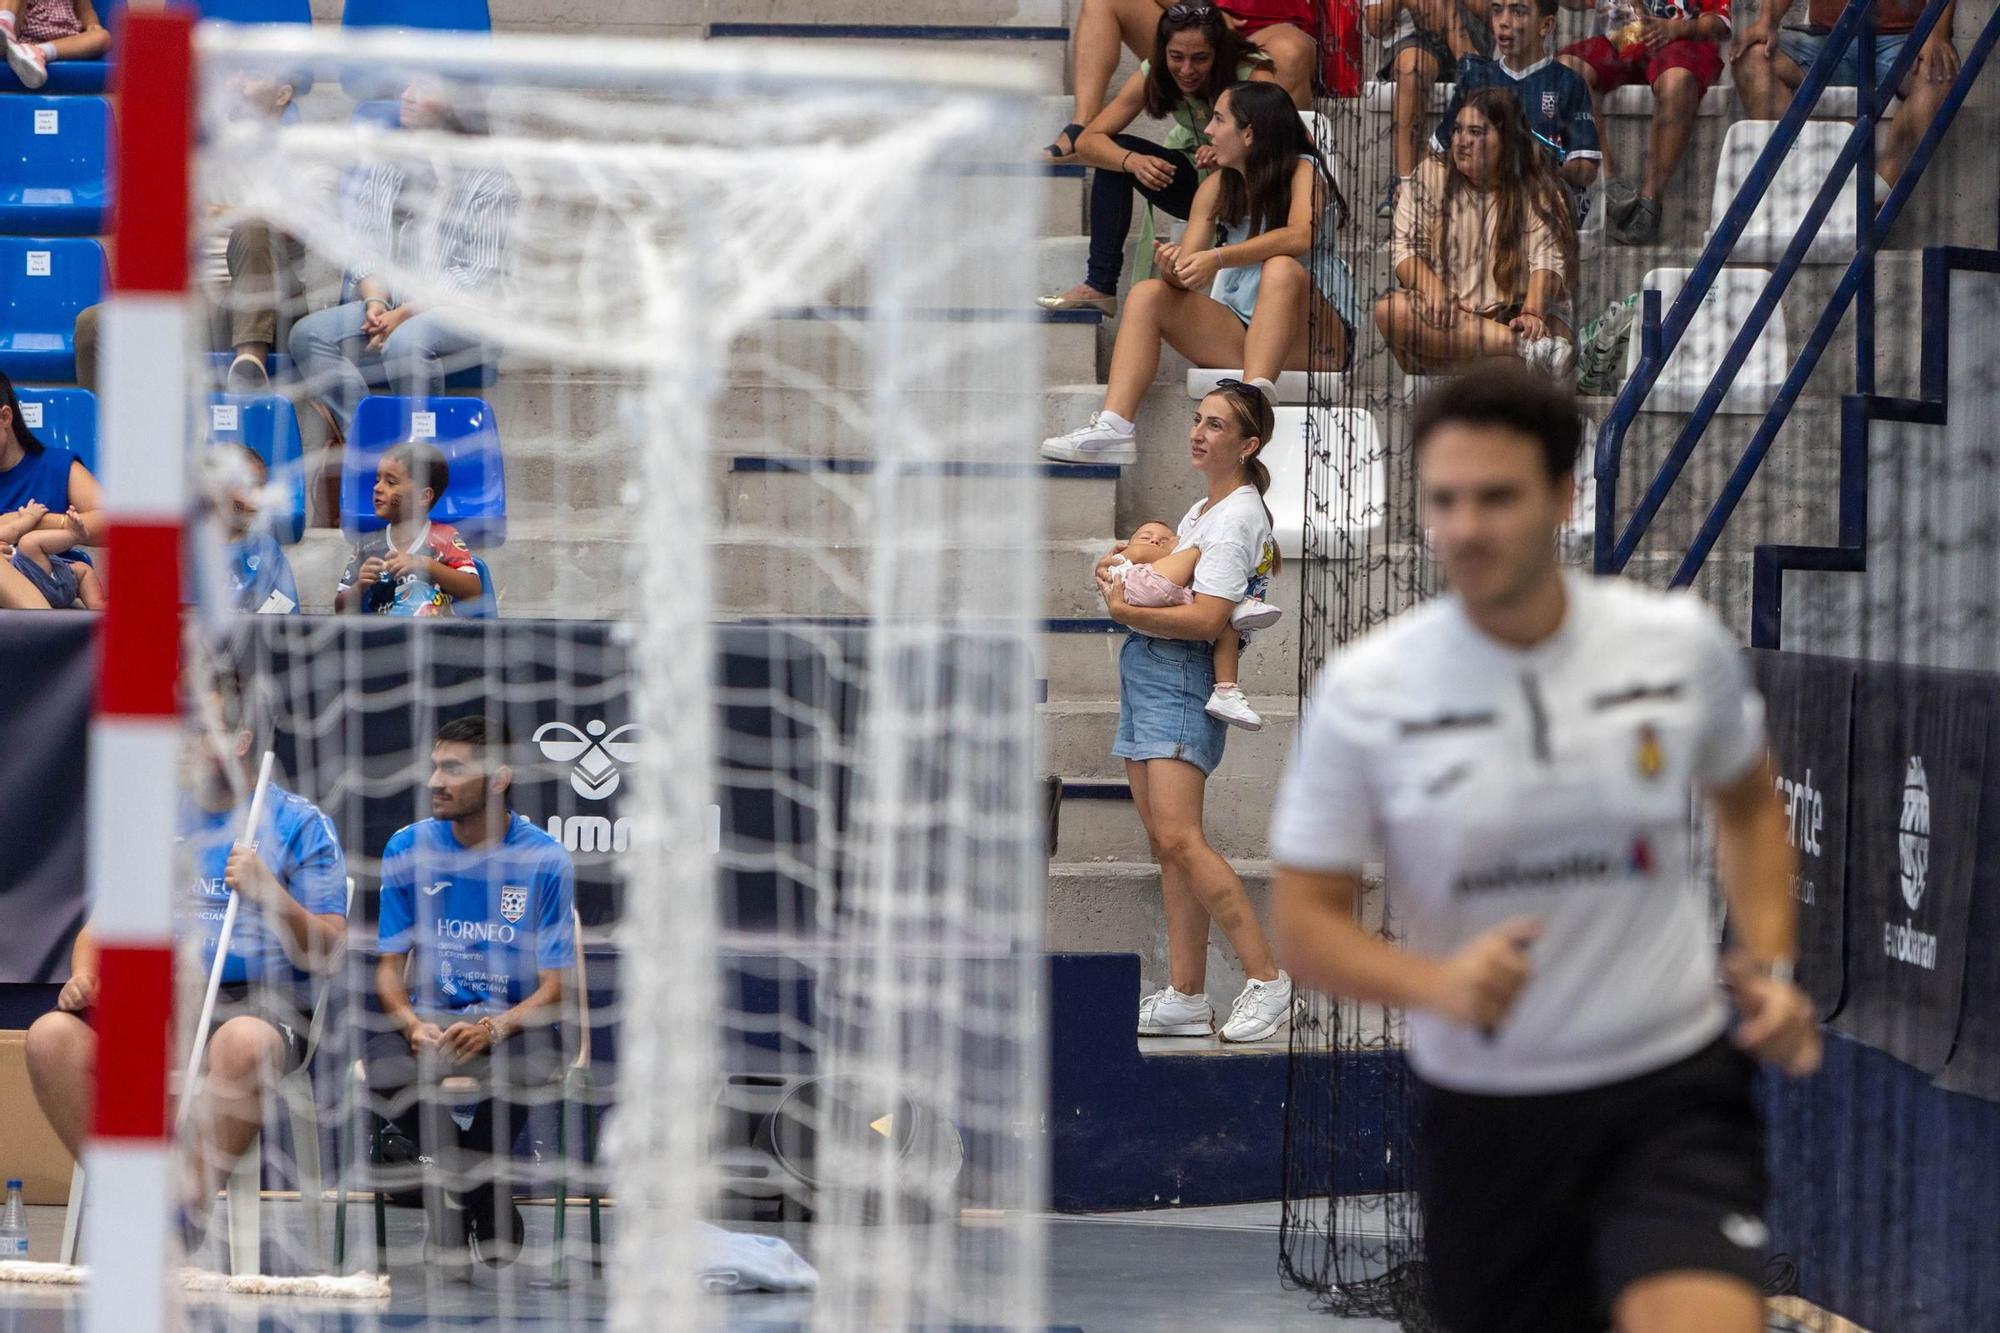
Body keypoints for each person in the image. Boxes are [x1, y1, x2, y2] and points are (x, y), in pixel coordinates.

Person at [1269, 364, 1820, 1333]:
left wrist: (1770, 963)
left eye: (1495, 496)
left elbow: (1746, 804)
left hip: (1669, 1089)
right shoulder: (1367, 690)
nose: (1465, 527)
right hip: (1486, 1114)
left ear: (1563, 496)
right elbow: (1304, 925)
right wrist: (1434, 985)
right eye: (1443, 499)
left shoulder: (1669, 644)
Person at [24, 679, 347, 1242]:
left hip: (258, 1001)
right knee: (50, 1037)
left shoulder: (299, 823)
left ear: (240, 740)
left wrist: (271, 893)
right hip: (158, 998)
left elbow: (328, 948)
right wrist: (84, 975)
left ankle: (180, 1214)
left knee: (244, 1042)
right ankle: (129, 1198)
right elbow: (99, 930)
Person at [1091, 381, 1294, 1042]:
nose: (1198, 432)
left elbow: (1208, 620)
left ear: (1248, 443)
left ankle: (1267, 976)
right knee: (1167, 845)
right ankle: (1185, 994)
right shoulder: (1203, 510)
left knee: (1182, 838)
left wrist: (1124, 607)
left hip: (1179, 678)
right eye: (1197, 420)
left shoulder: (1236, 516)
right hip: (1151, 674)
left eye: (1215, 425)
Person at [1043, 82, 1354, 465]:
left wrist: (1219, 257)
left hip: (1314, 336)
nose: (1208, 130)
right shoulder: (1217, 186)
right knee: (1147, 294)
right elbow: (1192, 272)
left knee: (1281, 268)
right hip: (1246, 329)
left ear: (1249, 133)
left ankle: (1247, 406)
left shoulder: (1303, 169)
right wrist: (1173, 269)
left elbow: (1300, 235)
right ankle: (1114, 428)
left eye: (1219, 119)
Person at [371, 715, 576, 1269]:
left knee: (525, 1066)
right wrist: (413, 1024)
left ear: (499, 778)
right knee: (376, 1068)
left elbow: (557, 990)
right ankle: (484, 1194)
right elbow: (389, 970)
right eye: (435, 766)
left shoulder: (545, 860)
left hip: (515, 1029)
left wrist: (494, 1028)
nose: (436, 780)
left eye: (454, 769)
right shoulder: (407, 847)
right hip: (433, 1024)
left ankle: (457, 1194)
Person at [289, 78, 515, 444]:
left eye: (424, 88)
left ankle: (420, 454)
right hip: (393, 304)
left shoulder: (490, 179)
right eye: (407, 86)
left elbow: (476, 275)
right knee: (308, 335)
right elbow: (364, 245)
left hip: (467, 310)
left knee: (406, 341)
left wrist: (405, 313)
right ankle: (372, 441)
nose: (406, 96)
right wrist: (376, 301)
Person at [75, 69, 308, 395]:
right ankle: (100, 437)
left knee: (253, 227)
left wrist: (226, 214)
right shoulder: (199, 155)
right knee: (92, 325)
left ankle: (249, 364)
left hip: (270, 302)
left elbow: (297, 226)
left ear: (283, 95)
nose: (236, 81)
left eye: (252, 74)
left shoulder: (305, 152)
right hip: (202, 301)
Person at [1040, 5, 1284, 315]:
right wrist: (1132, 161)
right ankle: (1100, 285)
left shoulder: (1252, 73)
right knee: (1116, 152)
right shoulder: (1155, 69)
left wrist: (1231, 153)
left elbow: (1279, 147)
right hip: (1195, 179)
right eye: (1176, 57)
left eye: (1200, 58)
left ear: (1219, 54)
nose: (1186, 70)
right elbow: (1088, 141)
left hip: (1246, 191)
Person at [1377, 87, 1577, 377]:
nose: (1462, 141)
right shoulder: (1431, 174)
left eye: (1476, 132)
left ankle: (1507, 353)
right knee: (1390, 311)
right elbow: (1406, 250)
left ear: (1507, 140)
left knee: (1558, 342)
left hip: (1513, 316)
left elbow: (1548, 259)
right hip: (1450, 318)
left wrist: (1532, 313)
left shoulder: (1537, 185)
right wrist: (1433, 288)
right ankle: (1523, 351)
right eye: (1457, 130)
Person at [1045, 0, 1316, 160]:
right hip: (1199, 30)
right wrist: (1200, 12)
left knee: (1291, 49)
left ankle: (1278, 159)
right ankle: (1083, 122)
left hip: (1269, 35)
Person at [1732, 0, 1959, 192]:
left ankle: (1877, 195)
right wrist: (1766, 21)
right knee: (1750, 60)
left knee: (1940, 74)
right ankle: (1799, 180)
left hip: (1901, 41)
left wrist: (1936, 33)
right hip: (1827, 40)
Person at [1559, 0, 1732, 244]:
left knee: (1677, 81)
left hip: (1682, 41)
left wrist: (1677, 29)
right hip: (1622, 38)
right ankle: (1608, 187)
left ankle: (1649, 204)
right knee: (1566, 70)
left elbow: (1719, 21)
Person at [1103, 512, 1284, 729]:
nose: (1155, 541)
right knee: (1199, 552)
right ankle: (1236, 602)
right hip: (1139, 584)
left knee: (1226, 630)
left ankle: (1226, 691)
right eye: (1146, 536)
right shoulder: (1130, 557)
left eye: (1164, 539)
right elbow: (1136, 554)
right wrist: (1174, 546)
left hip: (1159, 603)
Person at [1435, 0, 1601, 207]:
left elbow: (1586, 169)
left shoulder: (1568, 83)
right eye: (1496, 10)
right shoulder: (1476, 79)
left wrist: (1537, 164)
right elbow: (1438, 149)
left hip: (1542, 203)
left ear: (1546, 26)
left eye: (1518, 11)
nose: (1503, 22)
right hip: (1480, 202)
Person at [1367, 0, 1495, 216]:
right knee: (1412, 68)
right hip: (1413, 43)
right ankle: (1406, 183)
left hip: (1473, 31)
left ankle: (1469, 62)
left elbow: (1493, 11)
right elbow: (1375, 27)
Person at [334, 442, 483, 616]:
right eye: (377, 480)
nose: (377, 488)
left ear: (423, 496)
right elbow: (339, 609)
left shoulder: (445, 537)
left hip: (436, 639)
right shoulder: (368, 545)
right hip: (387, 640)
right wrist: (360, 586)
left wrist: (425, 564)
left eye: (390, 482)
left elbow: (474, 592)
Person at [0, 371, 103, 610]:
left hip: (48, 588)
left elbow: (112, 523)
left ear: (5, 417)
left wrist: (34, 522)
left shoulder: (57, 467)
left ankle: (46, 638)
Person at [202, 443, 299, 614]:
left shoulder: (267, 549)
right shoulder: (191, 547)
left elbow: (285, 609)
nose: (257, 498)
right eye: (248, 486)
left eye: (261, 486)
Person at [0, 501, 102, 609]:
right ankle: (74, 535)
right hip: (22, 586)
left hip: (48, 579)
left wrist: (30, 517)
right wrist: (30, 516)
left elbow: (12, 531)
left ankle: (98, 605)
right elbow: (13, 531)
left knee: (82, 568)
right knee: (29, 542)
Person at [0, 0, 108, 90]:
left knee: (103, 37)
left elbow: (86, 10)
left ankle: (37, 52)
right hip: (23, 36)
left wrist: (92, 25)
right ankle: (5, 25)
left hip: (67, 42)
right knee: (8, 25)